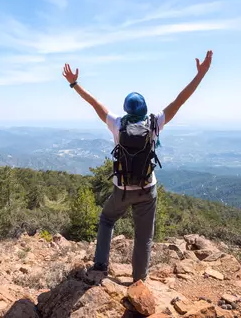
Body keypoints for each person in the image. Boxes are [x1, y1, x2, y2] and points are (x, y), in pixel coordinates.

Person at [62, 50, 213, 283]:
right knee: (143, 238)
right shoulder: (155, 123)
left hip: (121, 189)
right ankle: (138, 282)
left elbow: (94, 103)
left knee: (106, 220)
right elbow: (181, 100)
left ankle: (101, 266)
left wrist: (74, 84)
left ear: (126, 109)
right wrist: (200, 75)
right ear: (144, 108)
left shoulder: (117, 124)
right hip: (146, 190)